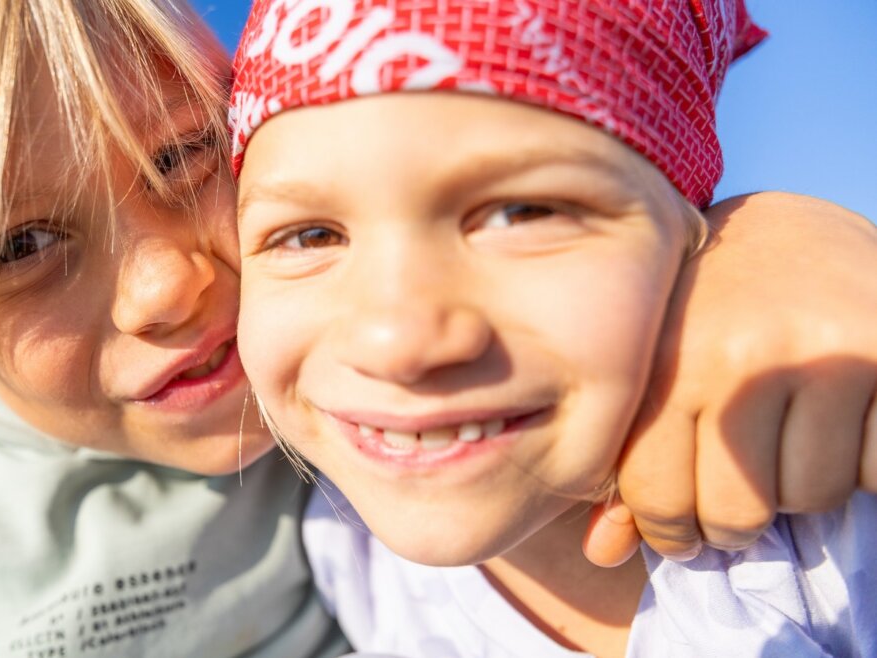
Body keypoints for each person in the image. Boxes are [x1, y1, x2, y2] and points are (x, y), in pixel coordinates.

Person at [0, 0, 875, 656]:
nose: (167, 287)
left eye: (184, 158)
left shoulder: (349, 474)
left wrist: (767, 243)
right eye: (20, 248)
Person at [230, 0, 877, 656]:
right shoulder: (346, 558)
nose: (396, 344)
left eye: (522, 214)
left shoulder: (842, 529)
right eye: (310, 236)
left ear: (690, 238)